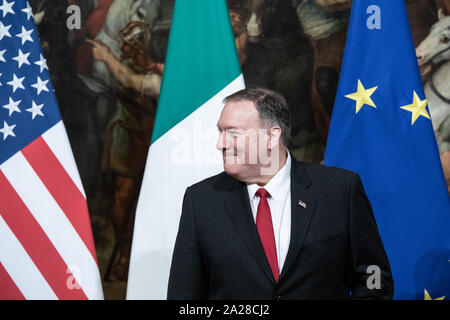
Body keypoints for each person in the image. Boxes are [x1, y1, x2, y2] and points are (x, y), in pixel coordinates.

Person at [167, 87, 394, 299]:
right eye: (220, 132)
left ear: (271, 136)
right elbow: (184, 296)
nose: (220, 143)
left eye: (232, 133)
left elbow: (373, 274)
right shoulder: (201, 201)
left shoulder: (339, 190)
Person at [88, 21, 167, 280]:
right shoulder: (131, 65)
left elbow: (131, 81)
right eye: (121, 42)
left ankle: (140, 254)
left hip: (150, 139)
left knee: (149, 200)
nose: (122, 47)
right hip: (124, 135)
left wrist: (108, 58)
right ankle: (124, 252)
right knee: (122, 197)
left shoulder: (157, 72)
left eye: (127, 44)